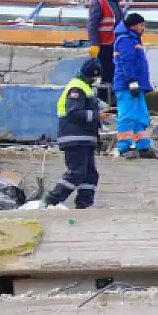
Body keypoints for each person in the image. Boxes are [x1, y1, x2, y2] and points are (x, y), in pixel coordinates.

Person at [41, 59, 107, 208]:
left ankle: (84, 205)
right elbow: (74, 112)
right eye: (95, 77)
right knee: (77, 172)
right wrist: (97, 116)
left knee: (90, 175)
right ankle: (50, 201)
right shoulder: (77, 88)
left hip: (85, 139)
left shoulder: (86, 87)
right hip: (75, 138)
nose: (96, 80)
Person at [112, 12, 156, 158]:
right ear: (134, 25)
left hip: (136, 84)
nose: (143, 28)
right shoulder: (126, 40)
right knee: (127, 115)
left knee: (140, 116)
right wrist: (131, 81)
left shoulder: (132, 39)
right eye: (142, 25)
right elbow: (127, 61)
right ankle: (124, 147)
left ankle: (142, 146)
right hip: (127, 85)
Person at [86, 0, 125, 104]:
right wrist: (94, 44)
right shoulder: (99, 1)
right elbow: (92, 24)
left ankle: (111, 100)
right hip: (104, 45)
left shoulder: (116, 1)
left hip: (115, 43)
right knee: (106, 74)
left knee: (115, 73)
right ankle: (103, 102)